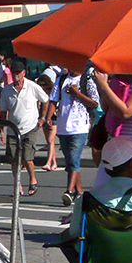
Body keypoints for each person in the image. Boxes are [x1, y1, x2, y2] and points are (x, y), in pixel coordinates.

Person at [0, 59, 51, 195]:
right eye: (14, 72)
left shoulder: (32, 86)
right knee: (14, 160)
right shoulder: (7, 90)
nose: (16, 75)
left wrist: (43, 118)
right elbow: (3, 111)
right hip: (13, 129)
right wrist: (1, 130)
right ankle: (18, 185)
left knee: (27, 158)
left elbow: (45, 100)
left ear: (23, 73)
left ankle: (33, 179)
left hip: (29, 127)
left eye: (18, 72)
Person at [53, 67, 101, 206]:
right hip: (63, 127)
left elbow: (95, 103)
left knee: (74, 159)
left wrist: (77, 93)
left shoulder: (87, 80)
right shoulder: (61, 79)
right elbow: (53, 100)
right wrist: (47, 117)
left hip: (80, 126)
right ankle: (78, 192)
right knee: (70, 162)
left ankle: (68, 191)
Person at [37, 68, 60, 172]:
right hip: (44, 117)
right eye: (40, 85)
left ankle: (48, 162)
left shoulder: (53, 92)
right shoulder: (40, 94)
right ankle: (54, 163)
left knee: (51, 141)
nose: (42, 87)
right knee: (49, 141)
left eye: (44, 85)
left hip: (54, 117)